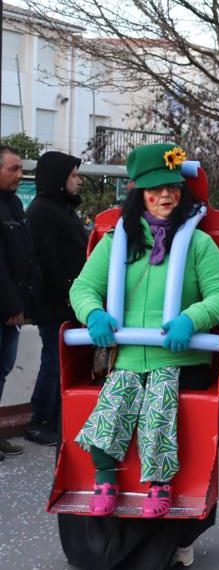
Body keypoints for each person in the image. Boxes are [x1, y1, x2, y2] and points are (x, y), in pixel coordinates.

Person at [70, 143, 219, 517]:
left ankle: (160, 486)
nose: (166, 195)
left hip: (180, 359)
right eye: (156, 189)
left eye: (173, 188)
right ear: (140, 194)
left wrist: (191, 319)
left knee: (158, 412)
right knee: (110, 410)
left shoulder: (198, 242)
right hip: (127, 355)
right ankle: (104, 481)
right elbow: (82, 288)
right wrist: (93, 314)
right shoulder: (116, 241)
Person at [24, 151, 86, 446]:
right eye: (73, 175)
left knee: (61, 359)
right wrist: (67, 291)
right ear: (59, 179)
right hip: (54, 302)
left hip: (68, 300)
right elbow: (46, 260)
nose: (78, 180)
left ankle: (57, 415)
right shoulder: (43, 211)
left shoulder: (62, 209)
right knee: (53, 358)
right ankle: (41, 419)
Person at [0, 144, 32, 460]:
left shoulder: (14, 206)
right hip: (5, 308)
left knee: (3, 369)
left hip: (13, 308)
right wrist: (11, 306)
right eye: (13, 169)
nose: (20, 175)